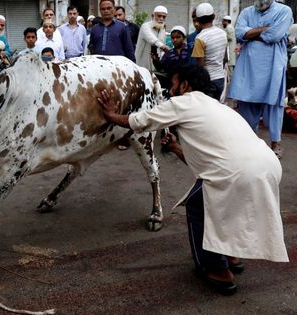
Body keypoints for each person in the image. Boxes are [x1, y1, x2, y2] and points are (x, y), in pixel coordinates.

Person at [98, 64, 288, 296]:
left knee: (198, 205)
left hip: (237, 171)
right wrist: (178, 149)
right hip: (266, 164)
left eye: (174, 83)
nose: (170, 88)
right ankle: (231, 255)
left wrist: (111, 115)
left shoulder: (182, 103)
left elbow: (139, 121)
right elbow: (210, 163)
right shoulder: (219, 107)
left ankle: (216, 269)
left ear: (185, 85)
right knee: (225, 203)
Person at [228, 0, 293, 158]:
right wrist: (264, 29)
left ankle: (275, 144)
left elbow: (275, 35)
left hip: (273, 66)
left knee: (274, 105)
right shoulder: (246, 12)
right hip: (248, 67)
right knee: (246, 103)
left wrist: (250, 34)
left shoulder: (284, 11)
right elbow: (239, 33)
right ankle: (248, 143)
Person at [191, 3, 227, 101]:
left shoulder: (200, 38)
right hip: (220, 79)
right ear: (214, 17)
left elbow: (200, 66)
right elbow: (224, 59)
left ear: (197, 20)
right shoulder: (223, 34)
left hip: (208, 81)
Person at [136, 5, 169, 71]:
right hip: (141, 66)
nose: (161, 18)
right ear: (153, 16)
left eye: (164, 17)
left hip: (155, 67)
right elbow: (151, 39)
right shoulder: (145, 26)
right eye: (159, 16)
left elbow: (162, 50)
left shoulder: (162, 30)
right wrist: (162, 46)